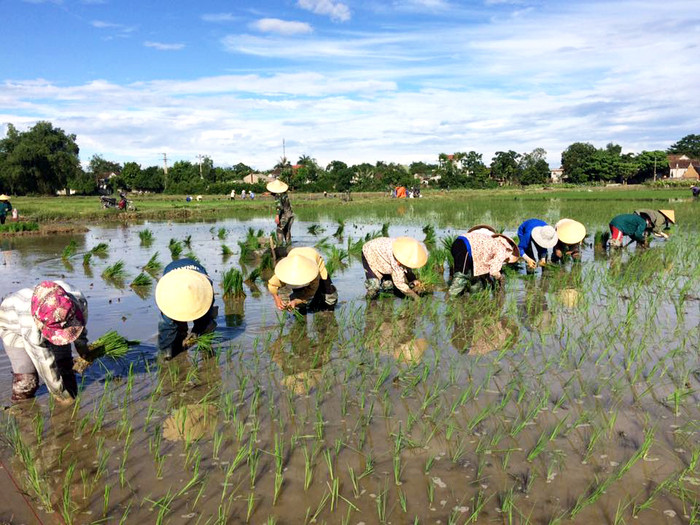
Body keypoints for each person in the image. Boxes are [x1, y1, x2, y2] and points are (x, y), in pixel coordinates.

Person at [0, 280, 89, 403]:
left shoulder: (77, 299)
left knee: (64, 366)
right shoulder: (29, 324)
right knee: (27, 381)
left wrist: (83, 348)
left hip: (53, 320)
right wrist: (60, 394)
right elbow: (45, 363)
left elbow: (80, 325)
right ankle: (20, 409)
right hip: (14, 328)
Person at [155, 258, 217, 359]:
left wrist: (196, 331)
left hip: (198, 285)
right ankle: (177, 339)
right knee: (168, 323)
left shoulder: (205, 286)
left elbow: (207, 309)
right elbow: (167, 328)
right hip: (174, 284)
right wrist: (165, 352)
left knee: (205, 318)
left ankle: (206, 347)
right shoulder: (168, 293)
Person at [448, 225, 520, 297]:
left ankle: (473, 298)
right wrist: (500, 278)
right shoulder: (502, 249)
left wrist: (488, 278)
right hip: (465, 247)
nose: (505, 260)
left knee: (475, 277)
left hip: (461, 243)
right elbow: (494, 271)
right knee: (461, 276)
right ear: (509, 251)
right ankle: (449, 299)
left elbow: (482, 265)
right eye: (507, 259)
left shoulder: (493, 242)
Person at [267, 247, 338, 312]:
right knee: (298, 296)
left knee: (329, 295)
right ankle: (302, 311)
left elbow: (311, 292)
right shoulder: (285, 271)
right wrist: (277, 298)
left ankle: (328, 310)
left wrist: (297, 301)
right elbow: (272, 285)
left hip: (312, 255)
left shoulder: (313, 274)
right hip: (294, 254)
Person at [362, 237, 428, 299]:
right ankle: (370, 305)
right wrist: (415, 297)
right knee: (373, 287)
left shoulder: (405, 252)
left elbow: (407, 269)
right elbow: (399, 284)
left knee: (388, 286)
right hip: (369, 252)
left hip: (384, 256)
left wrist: (414, 280)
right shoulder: (396, 258)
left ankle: (386, 303)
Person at [267, 179, 295, 245]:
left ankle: (280, 246)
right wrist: (270, 194)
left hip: (284, 216)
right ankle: (288, 245)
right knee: (287, 230)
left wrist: (277, 216)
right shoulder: (284, 194)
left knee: (279, 230)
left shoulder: (277, 196)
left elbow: (279, 207)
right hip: (291, 215)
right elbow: (281, 198)